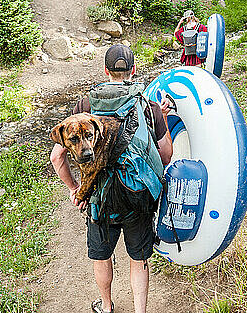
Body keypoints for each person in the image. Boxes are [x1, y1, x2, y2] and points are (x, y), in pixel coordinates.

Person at [50, 44, 173, 313]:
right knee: (138, 259)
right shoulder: (149, 106)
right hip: (136, 196)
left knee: (101, 256)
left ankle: (106, 306)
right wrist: (162, 118)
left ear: (105, 71)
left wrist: (74, 187)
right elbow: (165, 156)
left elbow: (57, 157)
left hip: (98, 199)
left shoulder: (83, 107)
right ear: (134, 70)